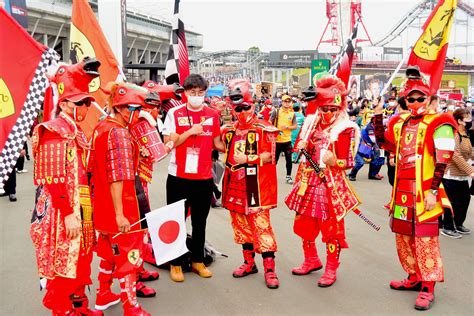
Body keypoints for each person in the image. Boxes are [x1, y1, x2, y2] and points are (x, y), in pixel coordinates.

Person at [373, 66, 457, 311]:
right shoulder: (400, 123)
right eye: (411, 98)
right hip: (401, 194)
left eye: (421, 97)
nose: (416, 101)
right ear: (405, 100)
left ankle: (428, 287)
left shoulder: (440, 123)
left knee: (425, 241)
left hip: (424, 194)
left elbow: (443, 159)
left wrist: (432, 192)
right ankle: (413, 277)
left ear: (430, 99)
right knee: (404, 237)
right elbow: (384, 143)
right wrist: (378, 117)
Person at [30, 59, 103, 315]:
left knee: (82, 259)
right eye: (79, 102)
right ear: (63, 103)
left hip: (81, 204)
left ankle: (79, 306)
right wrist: (69, 213)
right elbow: (53, 178)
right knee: (64, 263)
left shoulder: (77, 130)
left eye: (86, 102)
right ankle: (63, 310)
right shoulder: (54, 130)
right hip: (64, 211)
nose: (85, 106)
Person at [285, 74, 360, 288]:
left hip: (330, 185)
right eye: (324, 109)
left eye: (332, 109)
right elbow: (300, 145)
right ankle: (311, 259)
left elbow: (348, 162)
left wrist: (334, 160)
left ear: (340, 107)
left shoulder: (345, 129)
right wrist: (299, 146)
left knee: (331, 230)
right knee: (304, 225)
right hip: (307, 182)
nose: (328, 113)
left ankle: (331, 268)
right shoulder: (311, 123)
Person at [92, 82, 157, 316]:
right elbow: (118, 177)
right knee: (128, 257)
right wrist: (120, 213)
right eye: (133, 109)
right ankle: (131, 306)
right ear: (120, 108)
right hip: (123, 206)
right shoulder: (118, 132)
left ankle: (102, 296)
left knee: (108, 254)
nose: (137, 113)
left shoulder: (101, 127)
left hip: (102, 204)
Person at [162, 74, 224, 282]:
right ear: (185, 93)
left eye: (200, 92)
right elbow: (170, 143)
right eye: (192, 92)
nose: (196, 96)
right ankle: (176, 263)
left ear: (205, 92)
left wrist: (233, 135)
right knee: (176, 220)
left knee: (200, 221)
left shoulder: (213, 114)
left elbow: (218, 144)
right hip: (178, 176)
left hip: (204, 177)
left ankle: (198, 260)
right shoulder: (173, 113)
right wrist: (190, 132)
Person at [221, 82, 280, 289]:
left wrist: (247, 158)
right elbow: (220, 147)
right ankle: (249, 262)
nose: (242, 112)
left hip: (256, 186)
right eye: (238, 108)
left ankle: (270, 269)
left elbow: (271, 156)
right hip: (234, 184)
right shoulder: (229, 130)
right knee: (241, 226)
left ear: (253, 105)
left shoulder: (264, 128)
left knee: (261, 227)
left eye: (246, 107)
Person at [440, 108, 474, 238]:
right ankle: (447, 226)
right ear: (459, 120)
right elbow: (455, 155)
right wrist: (470, 171)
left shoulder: (465, 134)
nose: (470, 121)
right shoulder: (454, 134)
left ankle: (458, 223)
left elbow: (470, 152)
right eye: (467, 119)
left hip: (462, 175)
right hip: (451, 174)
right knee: (452, 202)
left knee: (464, 200)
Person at [270, 95, 297, 184]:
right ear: (281, 102)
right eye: (285, 101)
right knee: (274, 161)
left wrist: (287, 127)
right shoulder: (276, 111)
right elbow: (269, 123)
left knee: (289, 160)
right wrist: (275, 130)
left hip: (287, 141)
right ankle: (271, 176)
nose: (287, 103)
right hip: (277, 141)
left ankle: (288, 176)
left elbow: (295, 126)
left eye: (288, 102)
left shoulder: (292, 114)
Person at [348, 117, 384, 181]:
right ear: (373, 120)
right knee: (360, 162)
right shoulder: (370, 127)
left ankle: (372, 174)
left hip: (367, 147)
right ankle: (352, 175)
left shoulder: (374, 126)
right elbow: (373, 140)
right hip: (360, 147)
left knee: (376, 158)